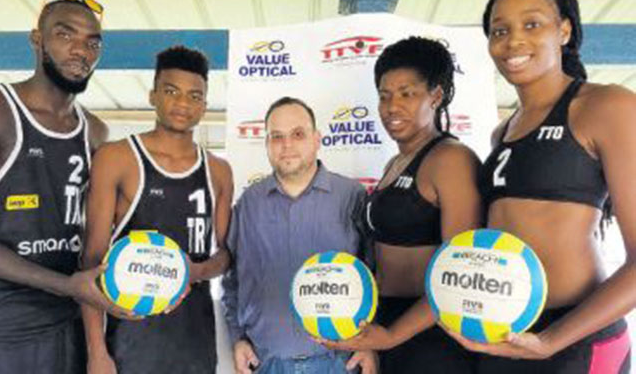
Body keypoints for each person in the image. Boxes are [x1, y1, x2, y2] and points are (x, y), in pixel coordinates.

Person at [445, 0, 635, 373]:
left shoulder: (606, 106)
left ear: (564, 30)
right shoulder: (502, 132)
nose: (513, 41)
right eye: (500, 30)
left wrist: (551, 342)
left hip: (575, 341)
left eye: (532, 24)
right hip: (504, 336)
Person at [0, 0, 128, 374]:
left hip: (71, 322)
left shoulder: (95, 132)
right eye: (65, 35)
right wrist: (66, 285)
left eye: (92, 42)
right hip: (4, 329)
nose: (81, 50)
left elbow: (96, 235)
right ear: (37, 39)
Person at [319, 37, 482, 373]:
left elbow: (462, 274)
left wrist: (393, 335)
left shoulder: (451, 159)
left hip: (432, 334)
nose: (392, 107)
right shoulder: (394, 163)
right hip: (385, 325)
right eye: (384, 96)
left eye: (407, 94)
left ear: (435, 96)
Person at [81, 45, 233, 374]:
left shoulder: (219, 171)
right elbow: (91, 260)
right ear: (152, 95)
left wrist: (194, 272)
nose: (182, 103)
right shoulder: (116, 158)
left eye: (195, 96)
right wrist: (96, 352)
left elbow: (226, 254)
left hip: (194, 340)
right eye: (171, 91)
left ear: (205, 105)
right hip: (129, 341)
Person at [221, 97, 377, 374]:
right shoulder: (249, 203)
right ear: (267, 143)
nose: (287, 145)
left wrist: (371, 343)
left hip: (339, 363)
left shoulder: (352, 197)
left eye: (298, 134)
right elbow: (232, 278)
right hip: (266, 363)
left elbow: (376, 274)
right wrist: (237, 338)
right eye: (276, 136)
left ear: (317, 139)